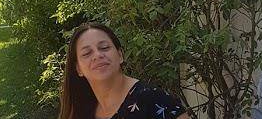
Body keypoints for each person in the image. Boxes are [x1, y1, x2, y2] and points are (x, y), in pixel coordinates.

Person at [58, 22, 189, 119]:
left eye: (104, 47)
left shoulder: (154, 100)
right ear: (78, 69)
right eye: (87, 53)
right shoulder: (80, 113)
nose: (97, 55)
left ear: (120, 55)